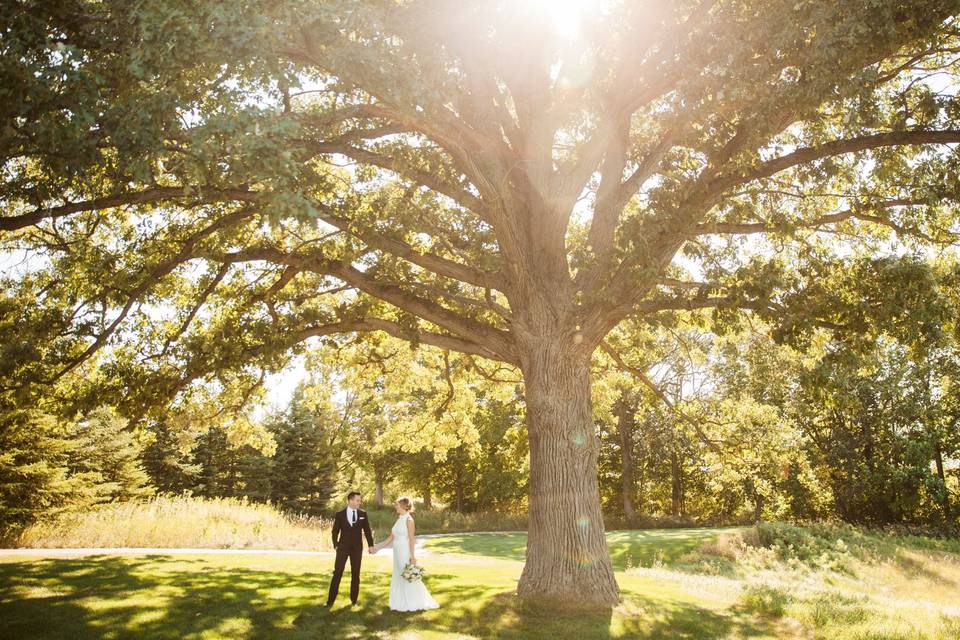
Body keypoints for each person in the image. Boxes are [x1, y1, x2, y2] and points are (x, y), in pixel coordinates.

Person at [369, 496, 440, 612]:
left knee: (407, 575)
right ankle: (400, 601)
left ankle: (413, 601)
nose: (395, 506)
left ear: (403, 506)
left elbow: (411, 540)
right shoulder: (399, 519)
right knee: (398, 574)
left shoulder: (409, 520)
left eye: (397, 504)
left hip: (404, 551)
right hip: (397, 552)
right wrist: (377, 548)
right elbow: (391, 538)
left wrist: (412, 556)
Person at [326, 491, 374, 607]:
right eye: (357, 500)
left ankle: (354, 600)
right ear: (350, 500)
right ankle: (330, 601)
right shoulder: (340, 514)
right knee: (337, 572)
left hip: (357, 549)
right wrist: (336, 544)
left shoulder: (363, 513)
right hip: (342, 548)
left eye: (359, 500)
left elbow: (367, 531)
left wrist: (371, 545)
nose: (359, 502)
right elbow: (335, 531)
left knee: (355, 574)